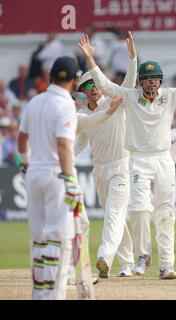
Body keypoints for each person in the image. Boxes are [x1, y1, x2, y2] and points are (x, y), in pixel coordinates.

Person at [77, 32, 176, 280]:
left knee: (165, 213)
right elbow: (104, 85)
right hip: (138, 161)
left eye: (155, 79)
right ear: (141, 82)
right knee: (139, 209)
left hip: (164, 160)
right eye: (147, 79)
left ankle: (167, 265)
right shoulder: (130, 98)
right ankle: (143, 255)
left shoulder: (170, 96)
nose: (152, 83)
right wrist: (90, 59)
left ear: (160, 81)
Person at [16, 56, 83, 300]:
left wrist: (26, 166)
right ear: (74, 80)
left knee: (39, 239)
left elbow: (22, 140)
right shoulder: (66, 105)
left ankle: (39, 293)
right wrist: (70, 181)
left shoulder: (34, 102)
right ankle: (49, 296)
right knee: (55, 237)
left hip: (34, 173)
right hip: (56, 174)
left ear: (51, 76)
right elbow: (63, 145)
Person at [74, 31, 138, 279]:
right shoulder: (83, 113)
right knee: (117, 217)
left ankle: (104, 257)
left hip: (121, 166)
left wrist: (132, 58)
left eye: (95, 84)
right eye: (87, 86)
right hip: (99, 170)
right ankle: (128, 263)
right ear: (83, 90)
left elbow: (130, 84)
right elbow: (79, 144)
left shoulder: (115, 99)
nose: (93, 89)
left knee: (113, 213)